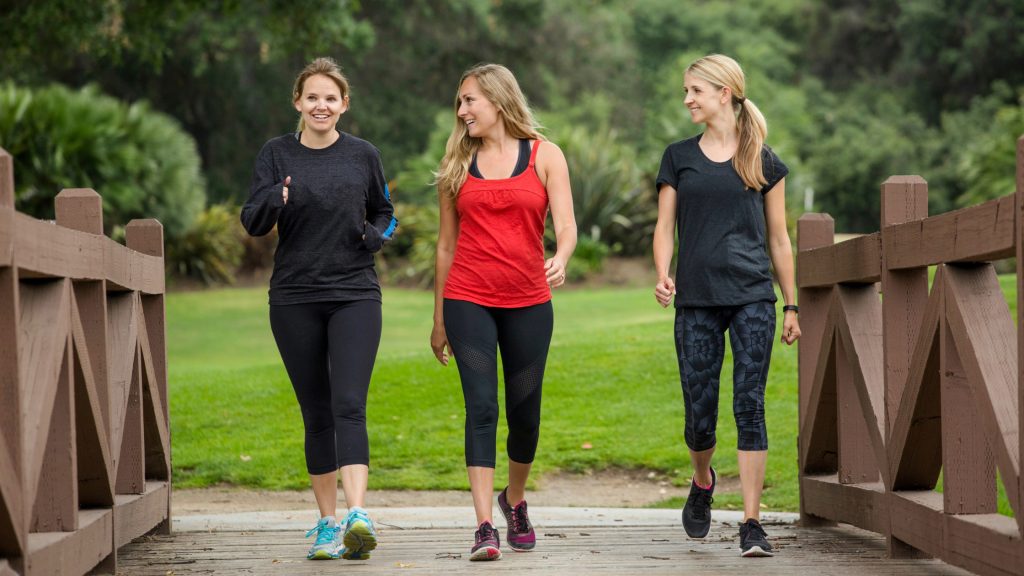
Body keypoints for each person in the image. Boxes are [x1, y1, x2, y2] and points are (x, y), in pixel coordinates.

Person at [240, 56, 397, 561]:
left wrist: (373, 236)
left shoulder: (363, 155)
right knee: (316, 412)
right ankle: (327, 525)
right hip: (294, 297)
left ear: (344, 104)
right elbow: (252, 220)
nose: (321, 105)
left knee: (349, 403)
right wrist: (276, 198)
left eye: (331, 97)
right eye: (312, 97)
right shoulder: (275, 154)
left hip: (354, 293)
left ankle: (358, 515)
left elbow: (386, 211)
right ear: (298, 103)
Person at [652, 54, 801, 558]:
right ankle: (703, 479)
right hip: (695, 300)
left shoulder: (764, 160)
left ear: (724, 93)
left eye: (694, 89)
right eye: (686, 90)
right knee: (700, 415)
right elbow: (664, 228)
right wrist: (662, 273)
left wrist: (791, 305)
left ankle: (752, 523)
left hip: (753, 298)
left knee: (750, 405)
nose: (687, 99)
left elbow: (780, 241)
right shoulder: (678, 156)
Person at [430, 63, 577, 561]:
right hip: (468, 298)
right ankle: (484, 527)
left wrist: (560, 256)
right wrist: (438, 320)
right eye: (460, 102)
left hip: (529, 302)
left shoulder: (544, 155)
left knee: (525, 415)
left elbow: (567, 224)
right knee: (482, 408)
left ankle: (514, 500)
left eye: (469, 100)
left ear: (497, 100)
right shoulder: (456, 161)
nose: (462, 110)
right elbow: (445, 247)